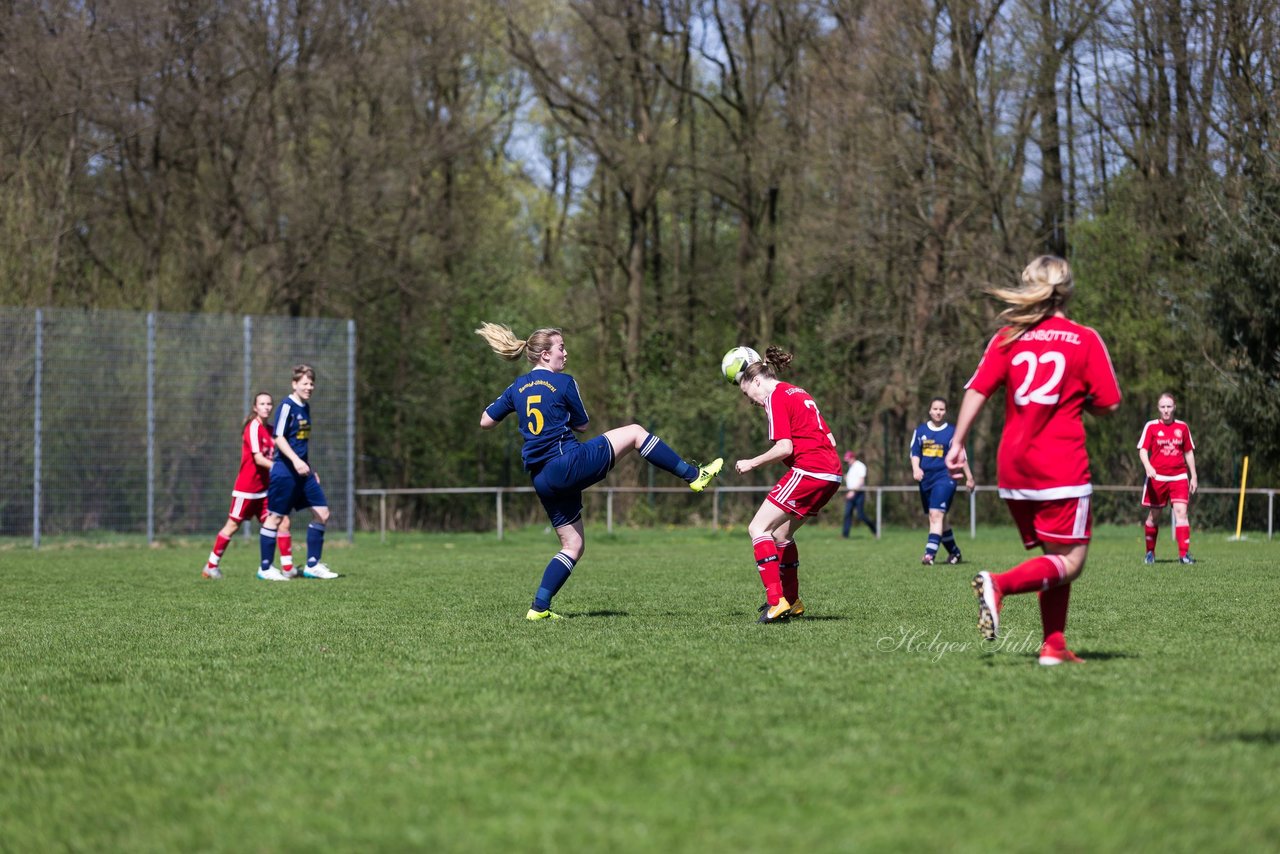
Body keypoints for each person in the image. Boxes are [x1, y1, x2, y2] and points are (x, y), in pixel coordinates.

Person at [476, 323, 723, 621]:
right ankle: (694, 476)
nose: (565, 353)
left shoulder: (516, 387)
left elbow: (486, 421)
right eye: (561, 348)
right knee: (634, 432)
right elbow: (582, 425)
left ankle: (539, 607)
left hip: (541, 478)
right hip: (567, 463)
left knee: (573, 545)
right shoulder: (565, 383)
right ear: (544, 355)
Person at [945, 255, 1121, 665]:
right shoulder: (1084, 338)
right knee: (1071, 562)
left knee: (1053, 558)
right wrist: (1085, 403)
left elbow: (977, 388)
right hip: (1060, 463)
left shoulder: (1008, 336)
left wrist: (958, 441)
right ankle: (998, 584)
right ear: (1069, 289)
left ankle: (1053, 647)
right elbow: (1111, 403)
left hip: (1014, 467)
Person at [732, 347, 843, 623]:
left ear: (756, 381)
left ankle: (776, 602)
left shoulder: (775, 397)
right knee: (781, 535)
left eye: (747, 394)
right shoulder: (798, 391)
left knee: (757, 528)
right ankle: (792, 601)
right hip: (832, 473)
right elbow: (831, 439)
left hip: (811, 470)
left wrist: (752, 463)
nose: (752, 402)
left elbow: (784, 447)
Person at [257, 364, 338, 581]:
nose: (309, 387)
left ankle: (312, 565)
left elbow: (300, 442)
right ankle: (265, 568)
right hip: (285, 471)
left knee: (322, 513)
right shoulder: (286, 406)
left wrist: (309, 467)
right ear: (294, 384)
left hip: (303, 472)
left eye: (312, 383)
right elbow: (279, 437)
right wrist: (295, 461)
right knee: (275, 518)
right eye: (305, 383)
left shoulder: (306, 407)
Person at [202, 392, 294, 579]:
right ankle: (210, 567)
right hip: (247, 490)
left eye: (269, 403)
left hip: (265, 490)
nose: (266, 407)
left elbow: (282, 452)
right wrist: (281, 469)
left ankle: (288, 569)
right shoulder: (253, 427)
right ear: (255, 407)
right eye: (262, 403)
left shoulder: (272, 430)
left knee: (282, 522)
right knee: (232, 526)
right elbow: (258, 459)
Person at [910, 398, 974, 565]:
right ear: (930, 411)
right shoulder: (920, 431)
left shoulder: (952, 432)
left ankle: (929, 555)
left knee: (935, 515)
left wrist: (970, 477)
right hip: (926, 480)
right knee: (939, 519)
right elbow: (915, 453)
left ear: (945, 412)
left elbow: (961, 456)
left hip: (945, 477)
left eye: (941, 409)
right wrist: (916, 469)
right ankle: (955, 552)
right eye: (935, 409)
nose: (938, 412)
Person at [1138, 393, 1198, 564]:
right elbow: (1142, 450)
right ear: (1158, 408)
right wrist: (1148, 466)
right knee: (1154, 516)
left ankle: (1184, 555)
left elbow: (1188, 452)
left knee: (1181, 513)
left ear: (1174, 408)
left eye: (1169, 406)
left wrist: (1193, 475)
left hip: (1179, 476)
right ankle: (1150, 552)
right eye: (1163, 407)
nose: (1166, 410)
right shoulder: (1151, 427)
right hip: (1157, 477)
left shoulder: (1183, 427)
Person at [841, 450, 876, 538]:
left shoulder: (860, 466)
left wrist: (853, 492)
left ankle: (875, 529)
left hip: (858, 493)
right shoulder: (851, 467)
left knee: (861, 515)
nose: (847, 461)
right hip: (851, 493)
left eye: (848, 459)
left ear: (853, 458)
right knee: (847, 514)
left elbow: (861, 481)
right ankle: (845, 535)